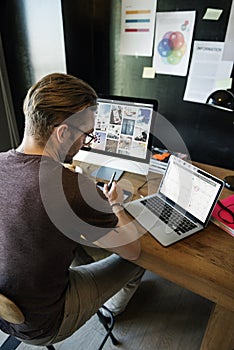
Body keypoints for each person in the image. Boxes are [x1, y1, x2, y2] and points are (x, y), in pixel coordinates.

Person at [0, 73, 145, 346]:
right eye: (86, 135)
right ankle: (110, 308)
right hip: (45, 322)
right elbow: (132, 248)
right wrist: (115, 204)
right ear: (63, 132)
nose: (85, 143)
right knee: (135, 263)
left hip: (5, 308)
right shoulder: (71, 187)